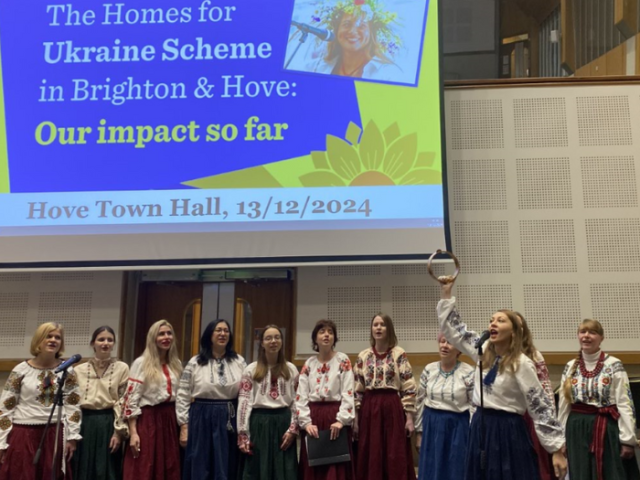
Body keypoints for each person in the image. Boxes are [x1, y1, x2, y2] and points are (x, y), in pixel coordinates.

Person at [437, 281, 567, 480]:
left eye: (501, 320)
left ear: (514, 331)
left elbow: (540, 406)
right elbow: (455, 331)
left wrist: (556, 449)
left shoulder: (522, 363)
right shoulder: (482, 350)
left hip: (508, 430)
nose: (493, 323)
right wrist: (446, 293)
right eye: (491, 320)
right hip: (480, 426)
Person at [559, 319, 640, 480]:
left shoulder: (613, 365)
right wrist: (561, 439)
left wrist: (627, 439)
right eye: (583, 332)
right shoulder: (570, 366)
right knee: (581, 472)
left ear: (601, 338)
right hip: (576, 429)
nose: (586, 336)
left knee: (611, 472)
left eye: (592, 332)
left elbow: (625, 403)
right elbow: (563, 406)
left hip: (605, 428)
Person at [0, 322, 82, 480]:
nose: (53, 340)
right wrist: (2, 441)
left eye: (57, 337)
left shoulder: (68, 370)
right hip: (23, 433)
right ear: (38, 340)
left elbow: (73, 405)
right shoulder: (20, 370)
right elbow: (6, 407)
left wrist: (72, 436)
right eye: (48, 336)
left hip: (54, 433)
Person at [177, 319, 247, 480]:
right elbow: (182, 394)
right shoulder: (195, 362)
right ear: (209, 335)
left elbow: (247, 393)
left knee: (226, 462)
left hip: (230, 416)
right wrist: (184, 426)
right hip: (201, 416)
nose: (223, 334)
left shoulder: (239, 361)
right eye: (218, 330)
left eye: (226, 330)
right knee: (202, 462)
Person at [353, 313, 416, 480]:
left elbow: (408, 385)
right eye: (375, 325)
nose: (378, 328)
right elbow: (357, 388)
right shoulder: (363, 356)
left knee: (393, 452)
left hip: (392, 406)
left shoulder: (398, 354)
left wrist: (409, 418)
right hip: (369, 408)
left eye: (382, 324)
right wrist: (356, 418)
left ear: (389, 329)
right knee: (372, 451)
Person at [121, 319, 183, 480]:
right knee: (145, 465)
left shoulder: (176, 364)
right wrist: (134, 433)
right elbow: (131, 399)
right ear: (153, 338)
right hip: (148, 420)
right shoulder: (141, 363)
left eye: (169, 333)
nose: (166, 337)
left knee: (169, 465)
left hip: (170, 419)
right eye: (161, 334)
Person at [296, 319, 356, 480]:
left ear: (334, 338)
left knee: (335, 468)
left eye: (330, 332)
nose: (326, 335)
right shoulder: (309, 364)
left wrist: (341, 421)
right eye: (322, 332)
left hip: (335, 419)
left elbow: (348, 392)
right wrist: (306, 423)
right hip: (313, 418)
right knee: (313, 468)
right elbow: (300, 397)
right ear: (315, 338)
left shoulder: (343, 360)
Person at [237, 325, 299, 480]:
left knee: (284, 470)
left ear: (282, 342)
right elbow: (244, 403)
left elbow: (297, 401)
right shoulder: (251, 370)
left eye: (277, 337)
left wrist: (293, 428)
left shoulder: (291, 370)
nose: (273, 341)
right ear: (262, 343)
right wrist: (243, 433)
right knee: (258, 468)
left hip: (283, 423)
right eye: (268, 338)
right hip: (259, 423)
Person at [415, 333, 474, 480]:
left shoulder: (468, 372)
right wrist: (419, 433)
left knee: (455, 468)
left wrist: (473, 434)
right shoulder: (429, 369)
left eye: (449, 343)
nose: (444, 346)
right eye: (442, 342)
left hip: (458, 427)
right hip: (432, 425)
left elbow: (474, 406)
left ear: (459, 349)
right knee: (431, 468)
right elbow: (420, 401)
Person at [74, 325, 130, 480]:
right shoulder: (78, 370)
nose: (105, 343)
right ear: (93, 343)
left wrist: (118, 432)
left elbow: (123, 401)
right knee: (83, 467)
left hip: (108, 422)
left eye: (110, 340)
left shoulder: (122, 368)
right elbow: (72, 403)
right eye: (101, 339)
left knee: (107, 469)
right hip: (84, 422)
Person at [296, 1, 402, 81]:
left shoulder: (388, 73)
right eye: (346, 24)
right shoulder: (313, 68)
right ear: (337, 30)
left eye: (361, 26)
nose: (352, 31)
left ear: (371, 33)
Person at [515, 311, 558, 480]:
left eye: (519, 326)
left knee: (537, 462)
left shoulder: (533, 354)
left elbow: (546, 389)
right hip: (510, 415)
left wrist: (551, 421)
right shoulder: (496, 354)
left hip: (531, 416)